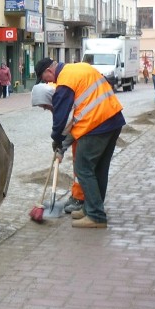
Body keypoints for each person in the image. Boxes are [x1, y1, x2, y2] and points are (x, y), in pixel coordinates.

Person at [35, 57, 125, 229]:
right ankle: (91, 209)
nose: (48, 82)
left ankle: (96, 216)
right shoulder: (80, 68)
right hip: (113, 119)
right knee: (99, 169)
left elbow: (61, 119)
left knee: (83, 168)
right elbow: (74, 116)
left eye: (45, 79)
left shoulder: (65, 81)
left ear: (48, 71)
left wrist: (56, 139)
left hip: (96, 126)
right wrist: (62, 143)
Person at [31, 82, 85, 214]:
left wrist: (61, 148)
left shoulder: (63, 101)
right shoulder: (58, 101)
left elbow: (70, 125)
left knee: (82, 168)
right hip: (79, 135)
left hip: (84, 133)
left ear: (49, 99)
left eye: (44, 105)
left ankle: (82, 199)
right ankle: (78, 196)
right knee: (78, 166)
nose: (44, 108)